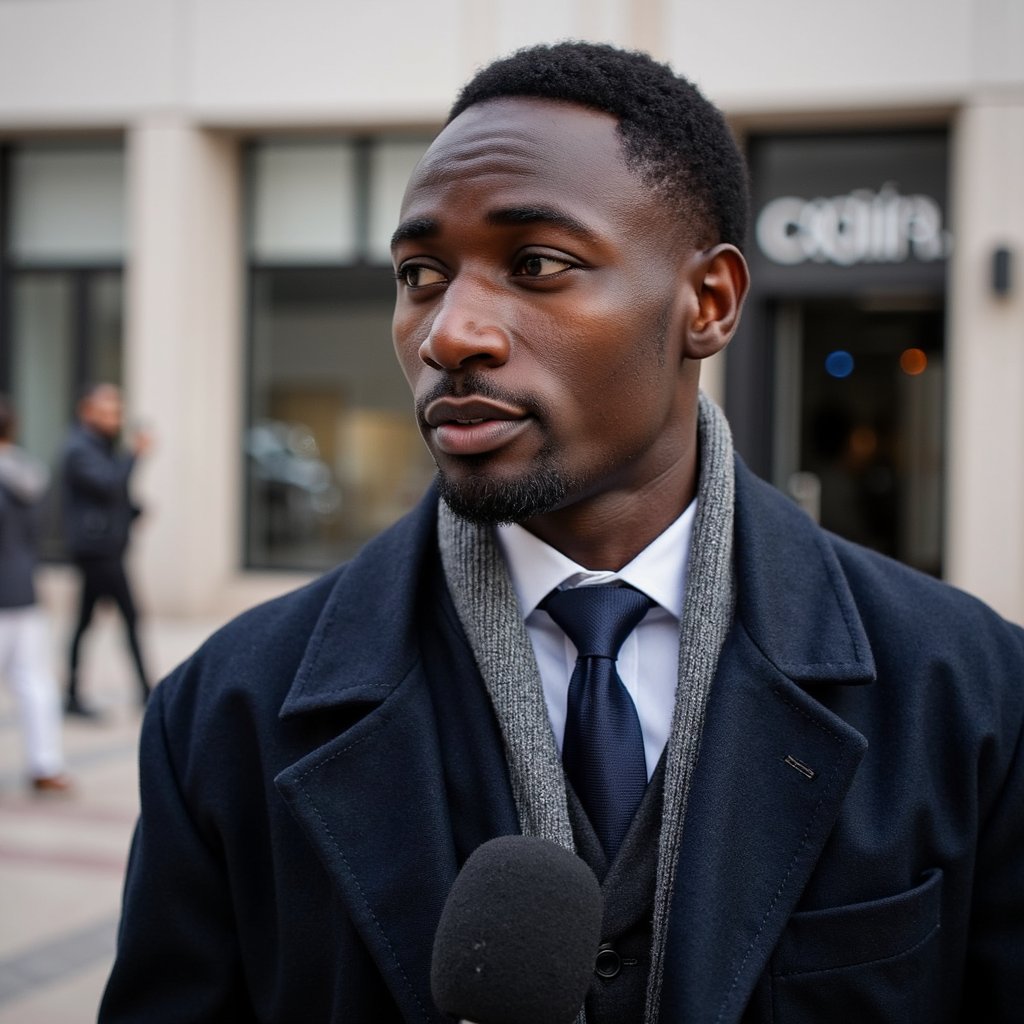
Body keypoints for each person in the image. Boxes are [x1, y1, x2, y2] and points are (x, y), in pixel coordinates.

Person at [100, 43, 1023, 1023]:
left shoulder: (968, 695)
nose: (449, 334)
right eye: (420, 273)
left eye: (535, 264)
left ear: (706, 303)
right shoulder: (228, 711)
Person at [61, 383, 152, 717]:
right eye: (107, 412)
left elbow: (111, 494)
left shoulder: (99, 447)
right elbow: (109, 484)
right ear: (87, 412)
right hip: (98, 551)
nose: (115, 419)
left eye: (117, 412)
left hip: (105, 547)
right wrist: (135, 455)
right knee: (130, 616)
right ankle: (145, 690)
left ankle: (71, 693)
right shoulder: (79, 449)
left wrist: (132, 512)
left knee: (85, 622)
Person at [0, 395, 72, 794]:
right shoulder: (28, 474)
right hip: (24, 587)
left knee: (33, 681)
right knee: (35, 682)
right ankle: (45, 765)